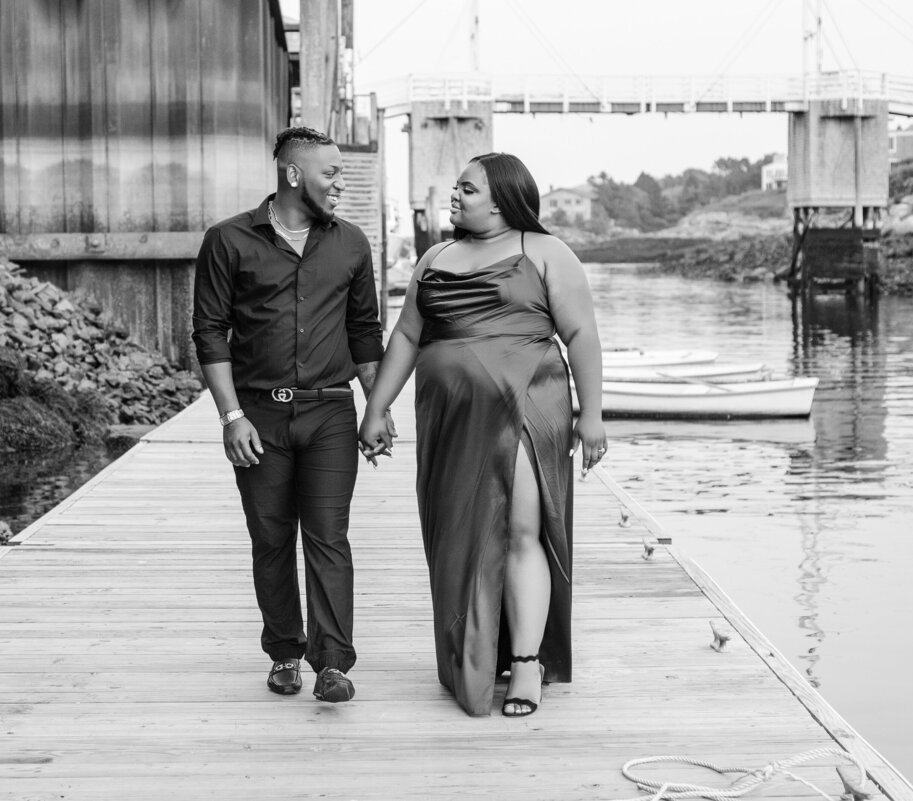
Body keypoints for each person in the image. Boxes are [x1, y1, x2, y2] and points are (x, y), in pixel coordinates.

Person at [358, 152, 607, 717]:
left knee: (521, 528)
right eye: (458, 186)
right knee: (460, 535)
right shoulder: (436, 256)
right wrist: (376, 408)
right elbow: (405, 338)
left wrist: (591, 415)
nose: (455, 195)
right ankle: (470, 654)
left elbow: (582, 336)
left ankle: (525, 663)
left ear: (500, 198)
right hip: (450, 420)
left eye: (467, 189)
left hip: (526, 404)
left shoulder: (544, 252)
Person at [193, 126, 390, 704]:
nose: (340, 183)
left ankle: (332, 664)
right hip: (259, 414)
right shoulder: (227, 240)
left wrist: (376, 410)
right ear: (293, 174)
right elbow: (209, 332)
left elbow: (364, 332)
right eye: (331, 172)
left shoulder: (352, 244)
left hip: (330, 412)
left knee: (329, 537)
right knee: (271, 538)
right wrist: (232, 417)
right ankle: (284, 652)